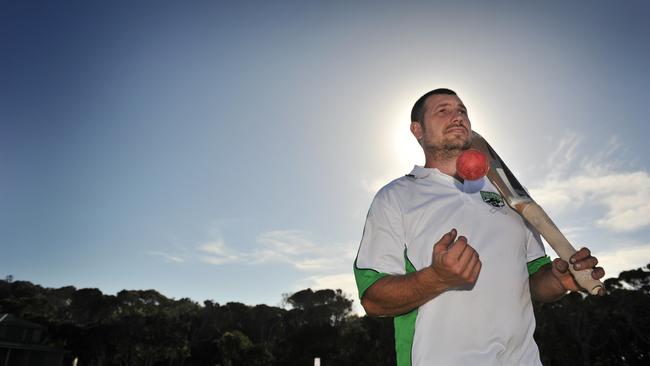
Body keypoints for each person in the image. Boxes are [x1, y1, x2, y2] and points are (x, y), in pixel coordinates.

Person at [353, 88, 605, 366]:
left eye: (462, 111)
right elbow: (374, 299)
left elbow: (533, 282)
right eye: (443, 110)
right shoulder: (396, 196)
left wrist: (558, 281)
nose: (457, 116)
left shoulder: (510, 196)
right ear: (418, 130)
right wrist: (437, 277)